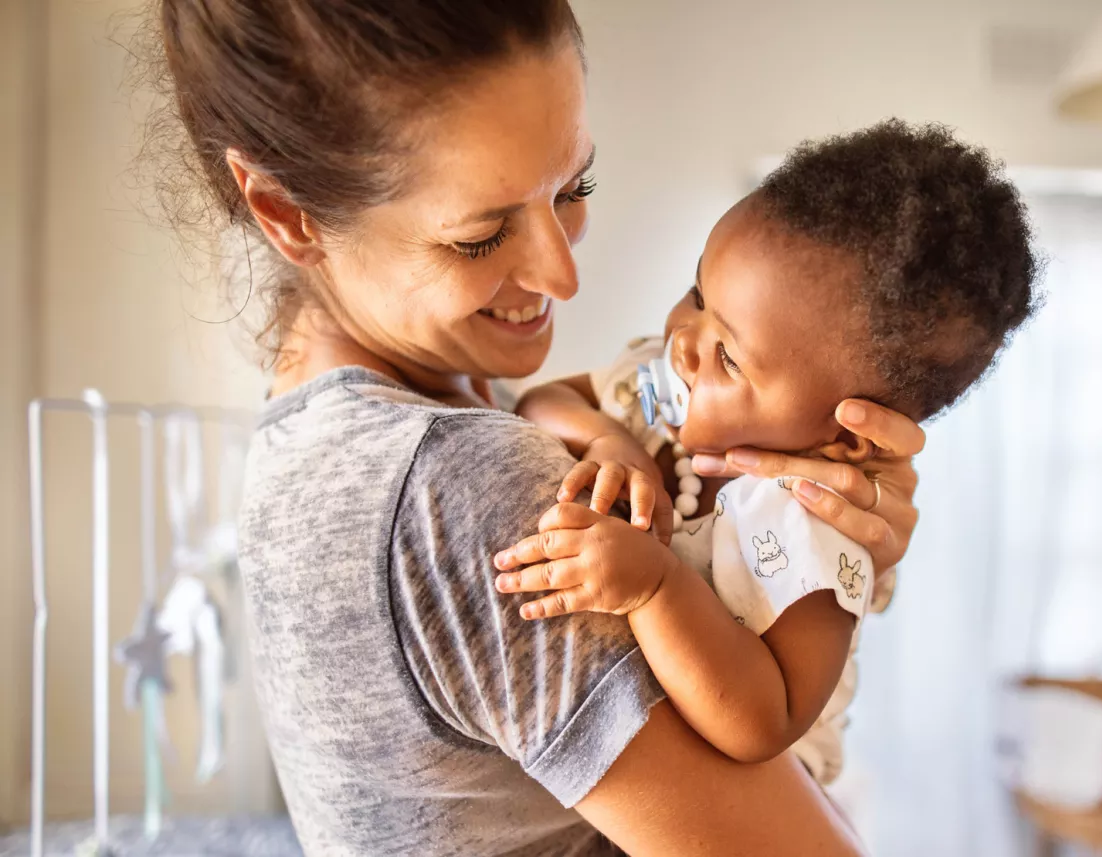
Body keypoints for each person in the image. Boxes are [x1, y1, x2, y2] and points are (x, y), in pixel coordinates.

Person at [151, 1, 925, 854]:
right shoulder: (453, 480)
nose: (562, 273)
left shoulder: (328, 430)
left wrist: (826, 552)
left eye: (573, 188)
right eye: (482, 235)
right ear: (286, 211)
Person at [498, 120, 1037, 786]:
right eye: (698, 294)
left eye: (728, 355)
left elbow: (764, 720)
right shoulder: (667, 391)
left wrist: (656, 586)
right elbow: (543, 401)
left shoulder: (812, 525)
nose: (686, 340)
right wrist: (606, 438)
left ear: (846, 436)